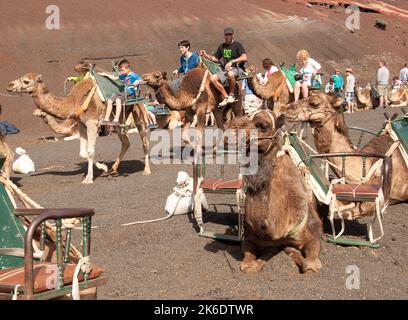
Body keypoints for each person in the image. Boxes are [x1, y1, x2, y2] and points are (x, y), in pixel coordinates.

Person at [200, 27, 248, 107]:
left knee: (230, 74)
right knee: (213, 78)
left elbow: (244, 57)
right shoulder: (222, 46)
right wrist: (206, 55)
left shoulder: (237, 45)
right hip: (225, 70)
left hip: (237, 68)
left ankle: (231, 95)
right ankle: (226, 96)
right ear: (224, 36)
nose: (228, 36)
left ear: (233, 35)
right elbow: (215, 58)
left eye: (230, 34)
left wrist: (232, 61)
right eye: (226, 35)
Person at [99, 59, 143, 126]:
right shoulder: (123, 75)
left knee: (118, 100)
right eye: (120, 70)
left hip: (130, 93)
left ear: (128, 69)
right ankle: (106, 119)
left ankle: (116, 120)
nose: (120, 72)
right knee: (110, 100)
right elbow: (115, 78)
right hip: (124, 92)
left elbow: (141, 80)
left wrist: (138, 82)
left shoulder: (133, 75)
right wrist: (105, 74)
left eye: (122, 70)